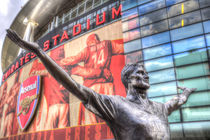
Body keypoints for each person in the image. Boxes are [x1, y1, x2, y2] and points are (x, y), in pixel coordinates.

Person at [6, 29, 196, 140]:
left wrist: (186, 93)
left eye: (146, 73)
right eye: (140, 73)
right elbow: (75, 87)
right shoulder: (116, 105)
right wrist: (40, 53)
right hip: (97, 86)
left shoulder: (159, 108)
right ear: (128, 80)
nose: (145, 76)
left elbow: (177, 100)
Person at [60, 33, 124, 125]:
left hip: (92, 88)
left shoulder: (87, 50)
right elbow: (123, 47)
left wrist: (63, 62)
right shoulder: (108, 44)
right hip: (107, 86)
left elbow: (70, 60)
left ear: (89, 42)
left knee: (92, 122)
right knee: (111, 118)